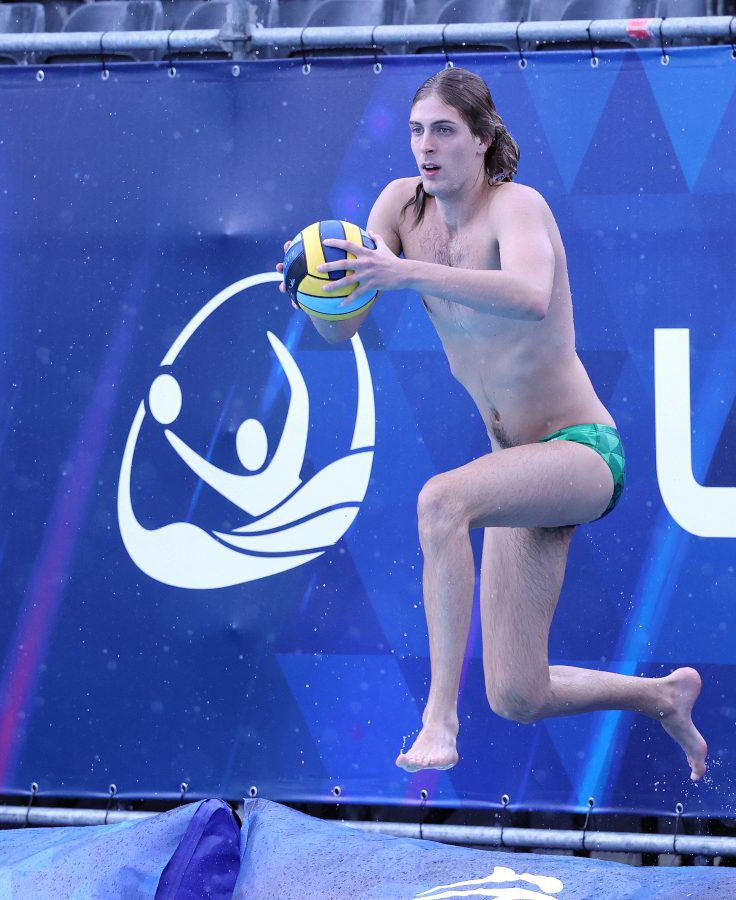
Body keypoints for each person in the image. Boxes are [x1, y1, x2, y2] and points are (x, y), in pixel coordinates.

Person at [277, 68, 707, 781]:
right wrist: (311, 292)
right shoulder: (398, 208)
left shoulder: (517, 207)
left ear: (482, 139)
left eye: (444, 130)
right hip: (516, 467)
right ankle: (660, 696)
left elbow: (532, 295)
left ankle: (438, 719)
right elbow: (342, 325)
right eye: (416, 131)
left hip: (582, 453)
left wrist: (407, 274)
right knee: (517, 694)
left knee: (442, 502)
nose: (426, 146)